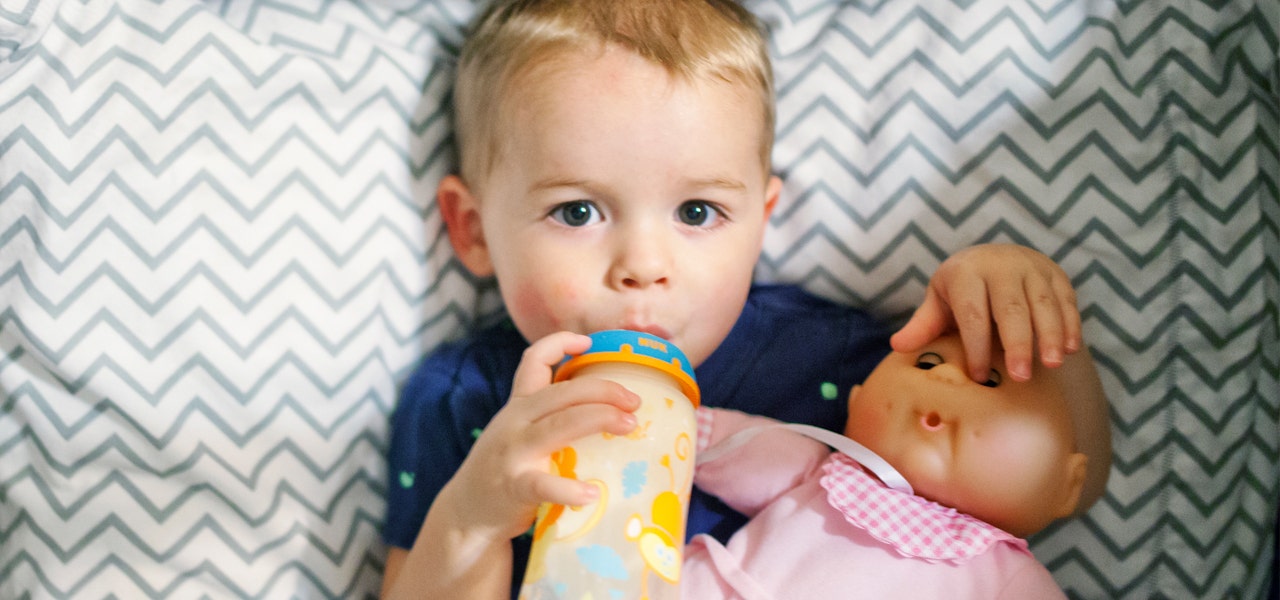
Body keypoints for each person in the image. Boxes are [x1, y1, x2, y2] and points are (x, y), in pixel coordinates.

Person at [379, 1, 1082, 597]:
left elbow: (1056, 479)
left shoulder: (833, 361)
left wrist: (1012, 303)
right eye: (577, 212)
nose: (644, 268)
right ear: (472, 230)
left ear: (761, 220)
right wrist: (473, 516)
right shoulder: (467, 401)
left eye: (696, 213)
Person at [682, 332, 1111, 599]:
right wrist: (661, 421)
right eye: (928, 361)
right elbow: (701, 439)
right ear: (855, 401)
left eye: (990, 380)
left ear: (1066, 485)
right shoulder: (826, 474)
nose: (945, 377)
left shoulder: (1006, 579)